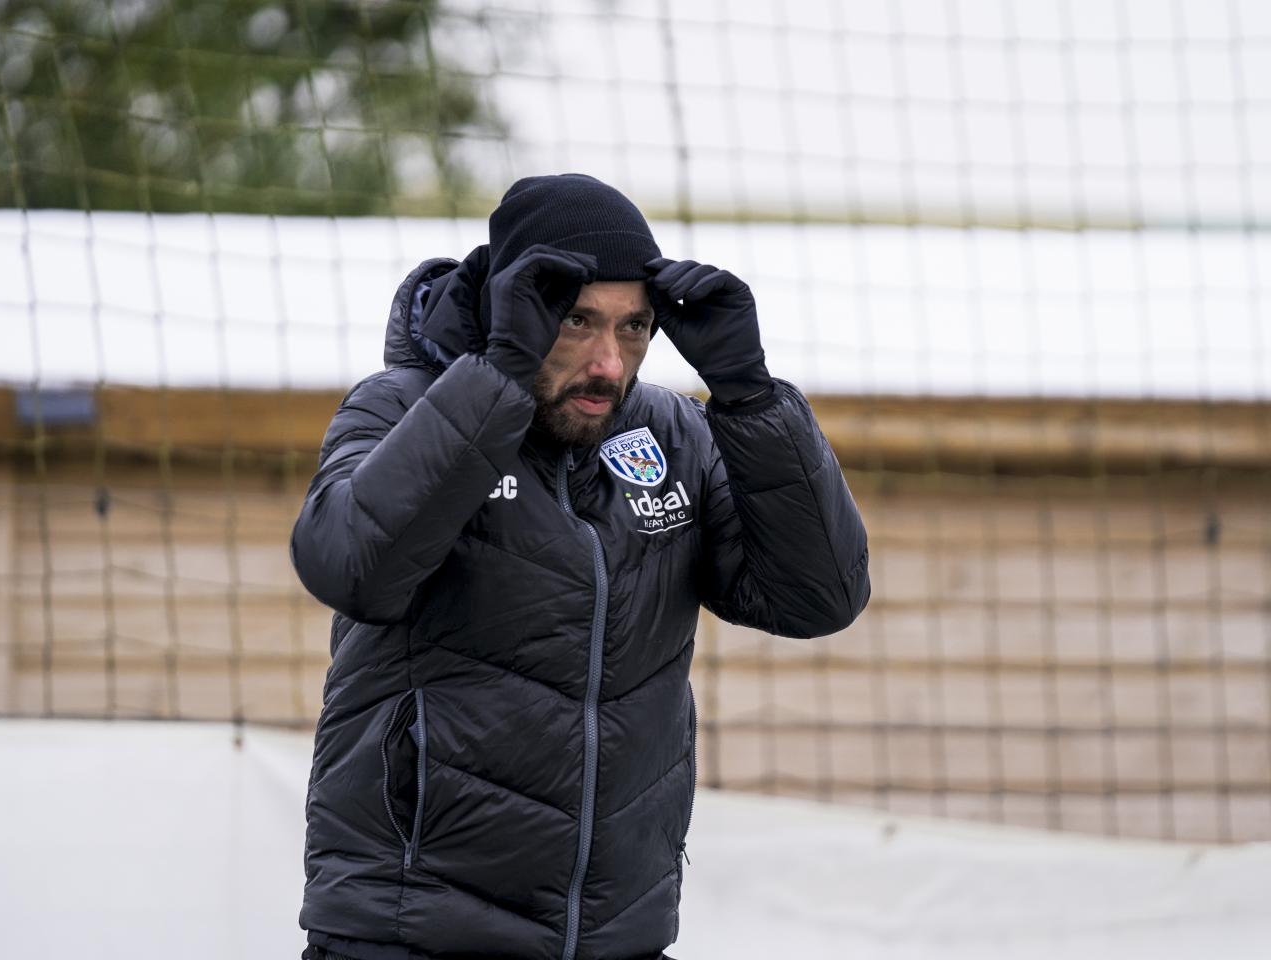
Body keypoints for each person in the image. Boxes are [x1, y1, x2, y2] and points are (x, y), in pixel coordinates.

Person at [290, 173, 870, 960]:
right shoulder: (401, 407)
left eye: (634, 328)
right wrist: (498, 378)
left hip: (616, 936)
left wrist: (748, 395)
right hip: (411, 933)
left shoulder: (671, 433)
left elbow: (819, 598)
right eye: (577, 321)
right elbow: (349, 566)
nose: (607, 363)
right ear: (512, 307)